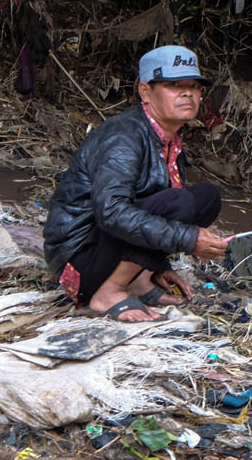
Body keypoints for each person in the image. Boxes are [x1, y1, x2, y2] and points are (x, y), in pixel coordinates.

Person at [43, 45, 230, 322]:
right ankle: (109, 292)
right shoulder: (124, 138)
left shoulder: (168, 139)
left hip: (107, 250)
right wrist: (187, 238)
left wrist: (156, 265)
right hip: (80, 260)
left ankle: (138, 281)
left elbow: (151, 202)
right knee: (179, 202)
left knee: (206, 197)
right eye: (173, 85)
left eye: (194, 86)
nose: (188, 93)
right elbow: (111, 212)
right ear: (145, 92)